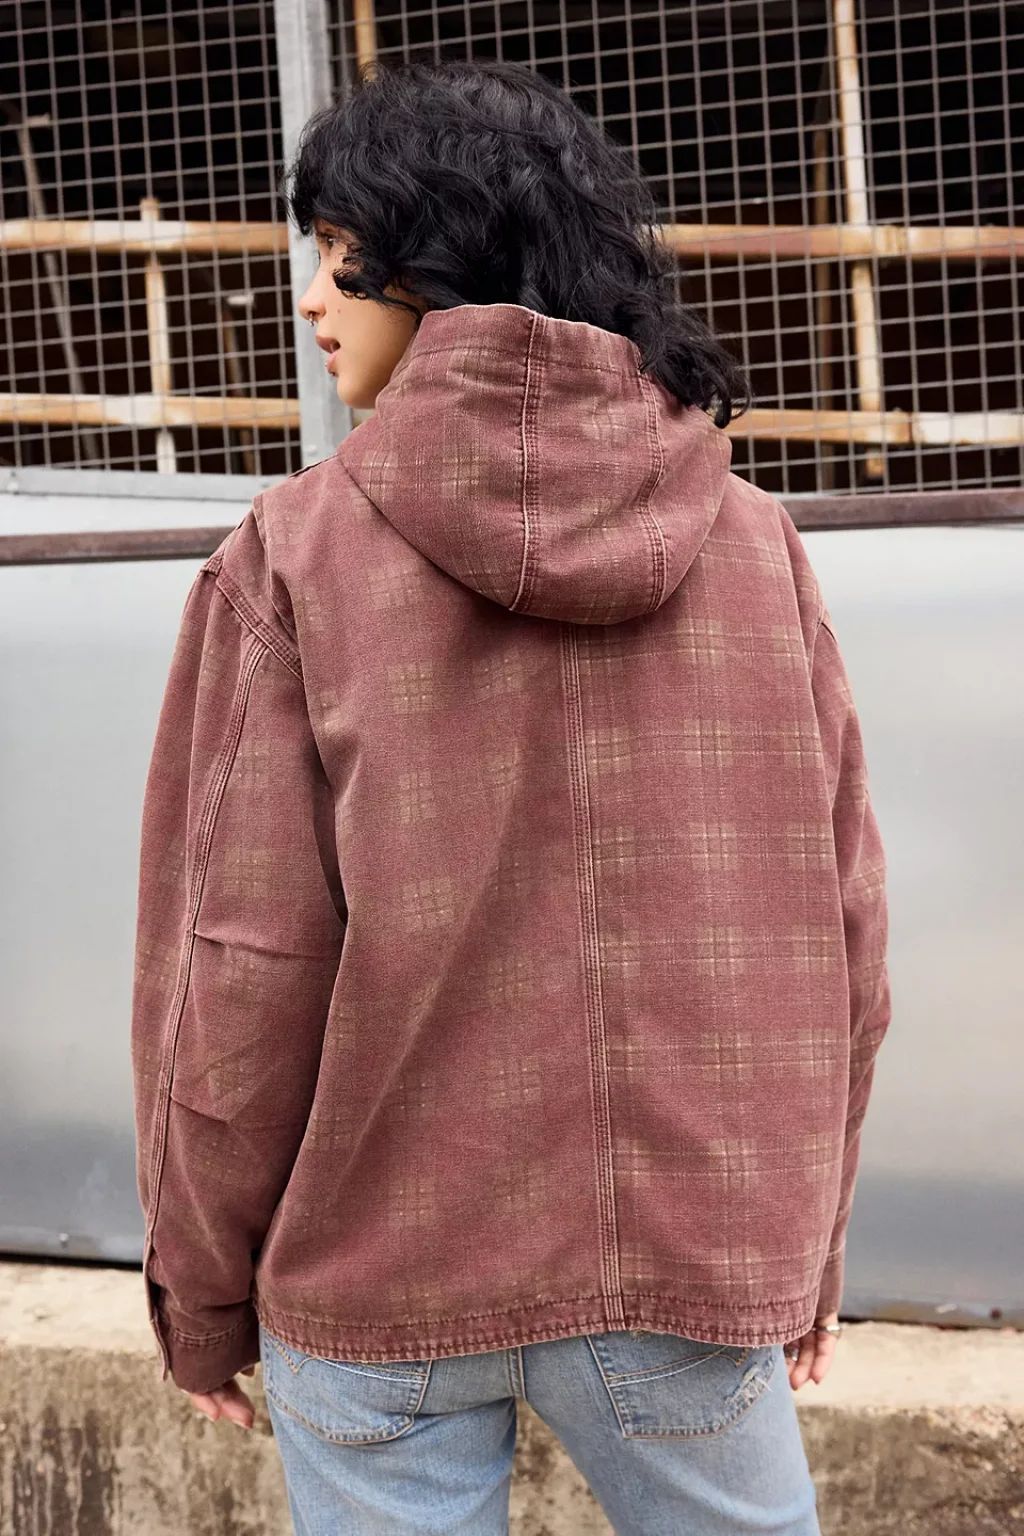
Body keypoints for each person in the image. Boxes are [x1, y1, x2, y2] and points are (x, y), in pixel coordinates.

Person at [131, 58, 891, 1536]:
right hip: (688, 1261)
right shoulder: (753, 545)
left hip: (381, 1267)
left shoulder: (291, 555)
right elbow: (843, 942)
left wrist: (202, 1289)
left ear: (437, 267)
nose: (312, 300)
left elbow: (232, 972)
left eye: (340, 257)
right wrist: (797, 1247)